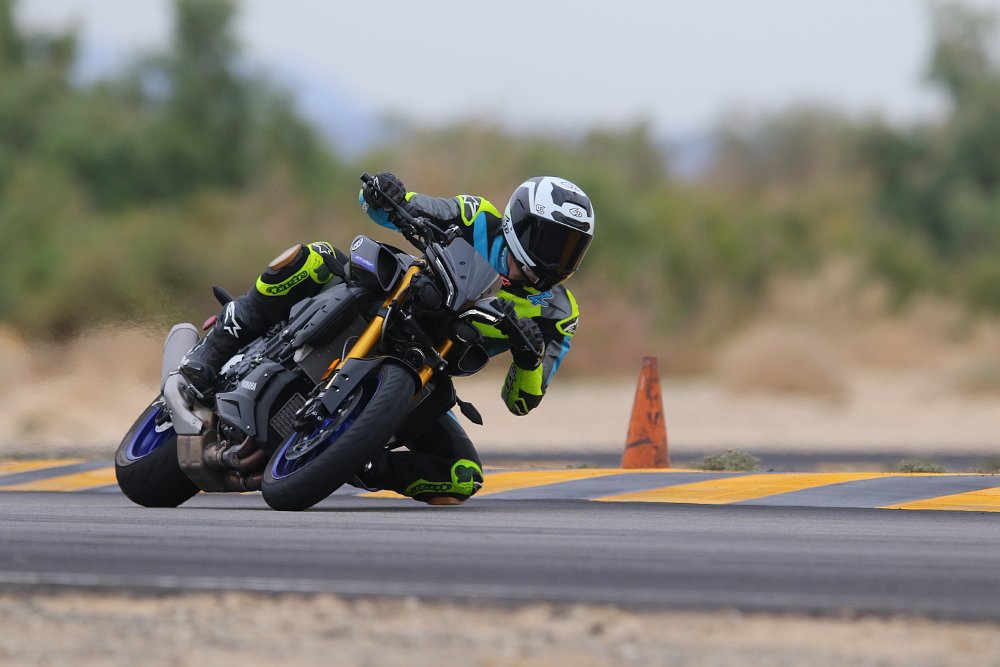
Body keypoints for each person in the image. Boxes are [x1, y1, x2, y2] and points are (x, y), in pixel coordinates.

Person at [178, 172, 595, 504]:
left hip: (430, 368)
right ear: (519, 222)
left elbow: (522, 401)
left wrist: (528, 358)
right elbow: (396, 208)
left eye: (573, 248)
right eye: (554, 241)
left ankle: (362, 460)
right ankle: (215, 349)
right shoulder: (476, 217)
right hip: (407, 299)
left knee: (461, 478)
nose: (561, 257)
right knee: (313, 258)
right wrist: (386, 192)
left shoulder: (559, 313)